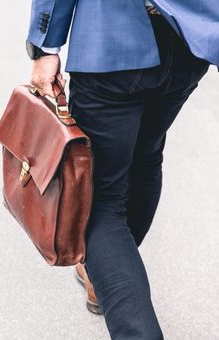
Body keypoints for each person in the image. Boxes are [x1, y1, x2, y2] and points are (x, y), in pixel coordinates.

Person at [25, 1, 215, 339]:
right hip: (190, 41)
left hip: (110, 41)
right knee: (146, 157)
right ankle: (106, 271)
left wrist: (45, 46)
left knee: (99, 199)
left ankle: (115, 281)